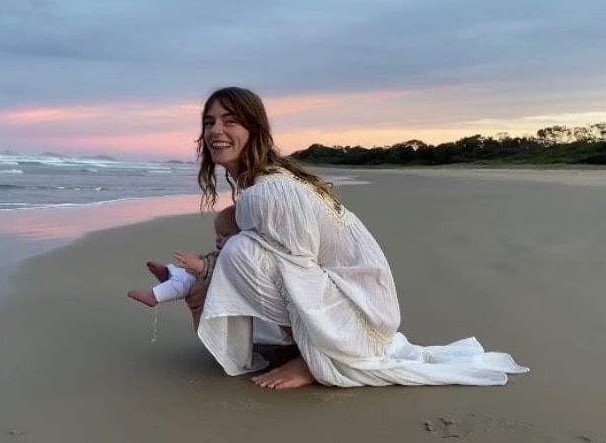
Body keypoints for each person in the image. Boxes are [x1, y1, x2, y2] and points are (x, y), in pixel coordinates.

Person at [184, 86, 530, 390]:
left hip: (361, 317)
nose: (217, 130)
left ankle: (313, 357)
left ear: (254, 129)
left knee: (241, 252)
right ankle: (303, 342)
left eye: (230, 121)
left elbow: (300, 272)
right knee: (245, 248)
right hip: (361, 306)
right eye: (209, 122)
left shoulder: (269, 191)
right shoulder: (266, 184)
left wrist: (218, 262)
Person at [127, 205, 239, 309]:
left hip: (214, 290)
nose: (218, 239)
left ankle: (155, 295)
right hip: (203, 280)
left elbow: (222, 271)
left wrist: (201, 266)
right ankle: (169, 274)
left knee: (188, 280)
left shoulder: (239, 259)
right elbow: (212, 261)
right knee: (185, 271)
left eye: (225, 235)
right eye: (217, 234)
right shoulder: (222, 254)